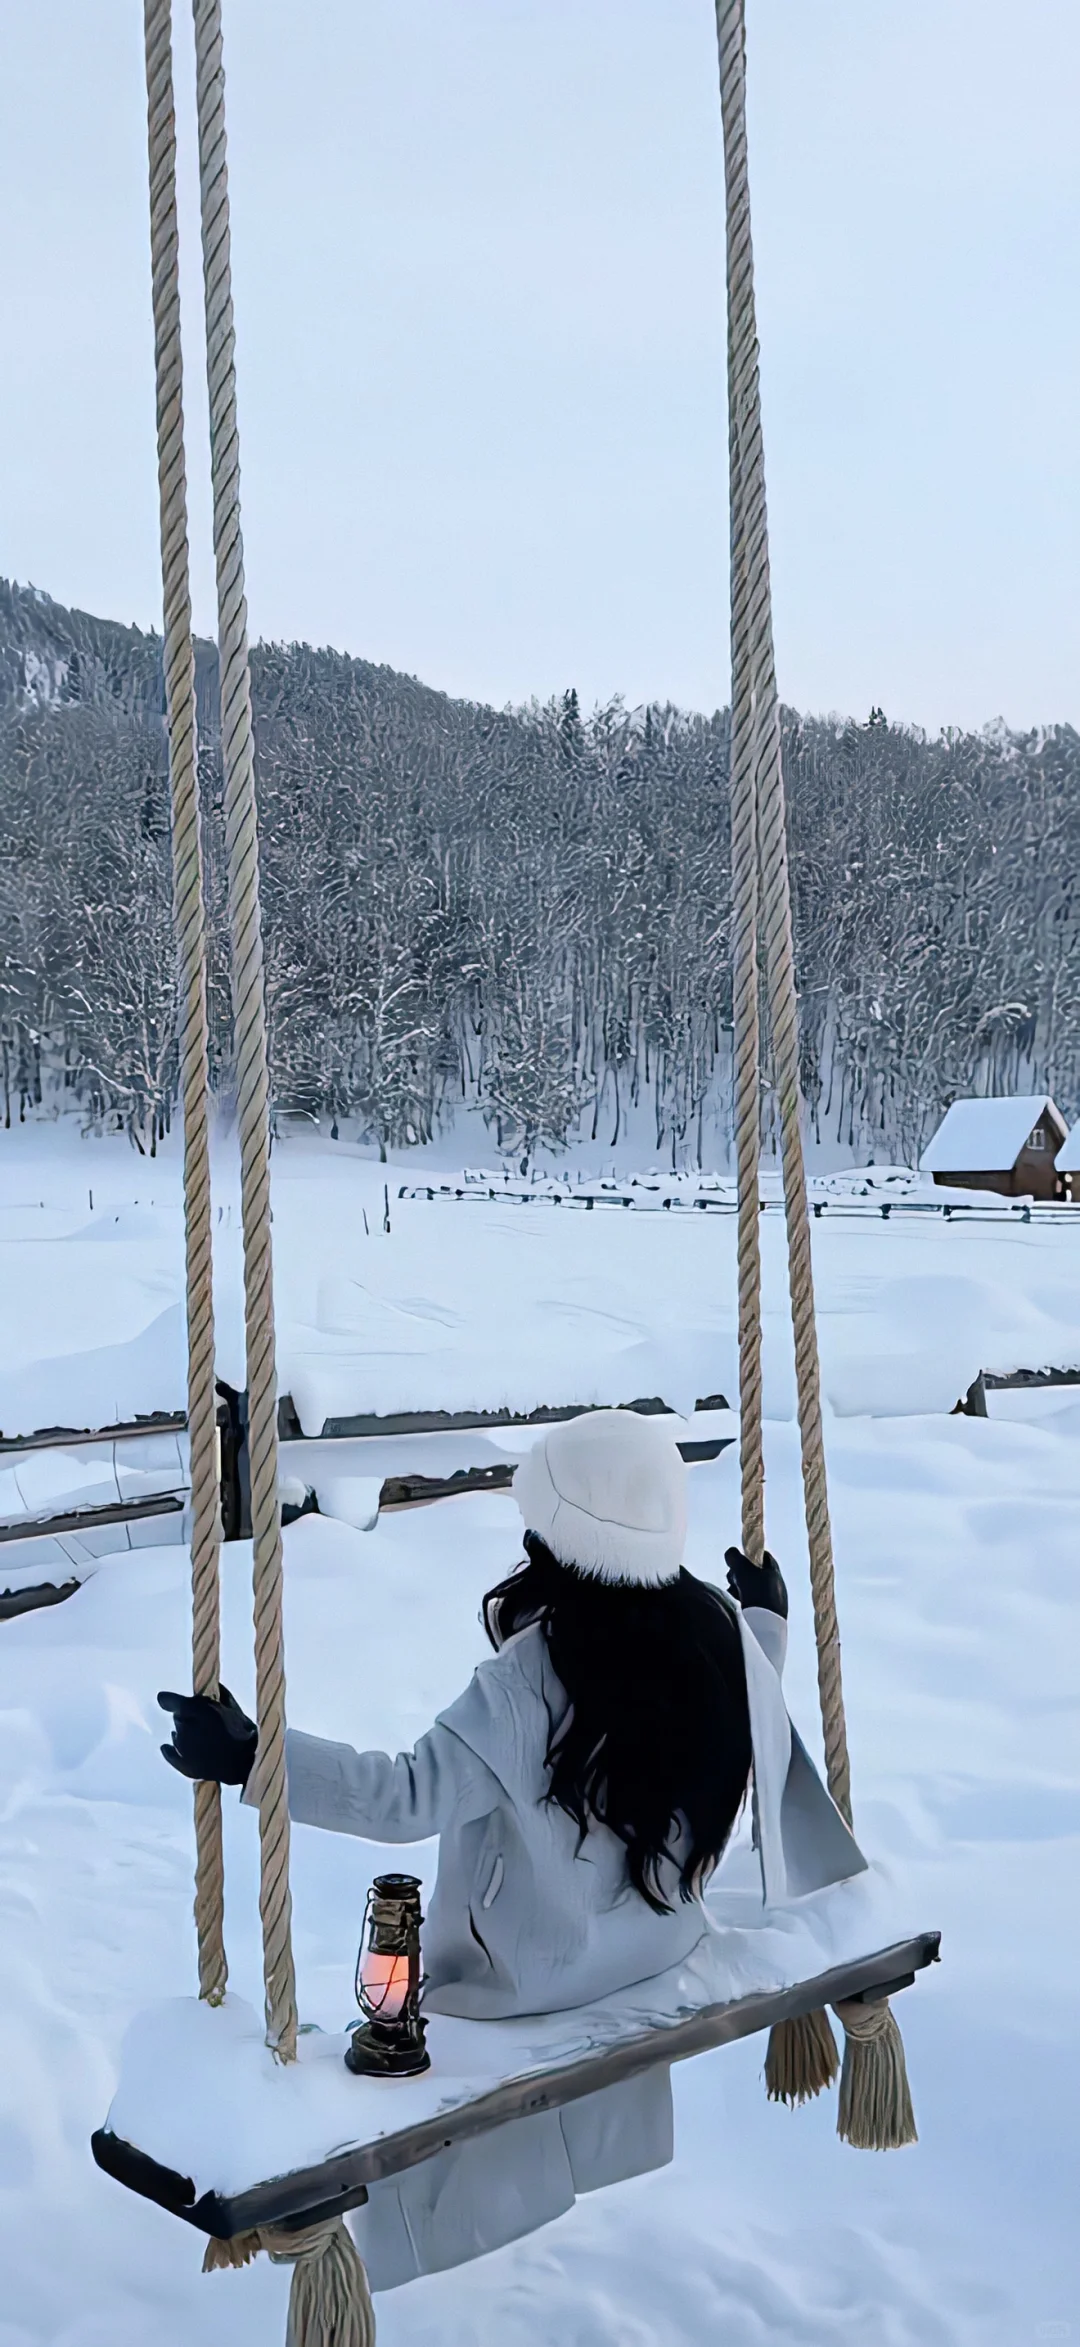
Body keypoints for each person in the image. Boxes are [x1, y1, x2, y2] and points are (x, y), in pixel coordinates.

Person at [159, 1407, 865, 2288]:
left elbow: (404, 1793)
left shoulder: (525, 1682)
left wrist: (251, 1756)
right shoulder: (709, 1630)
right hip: (654, 1944)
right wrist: (765, 1622)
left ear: (558, 1533)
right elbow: (759, 1699)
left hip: (526, 1986)